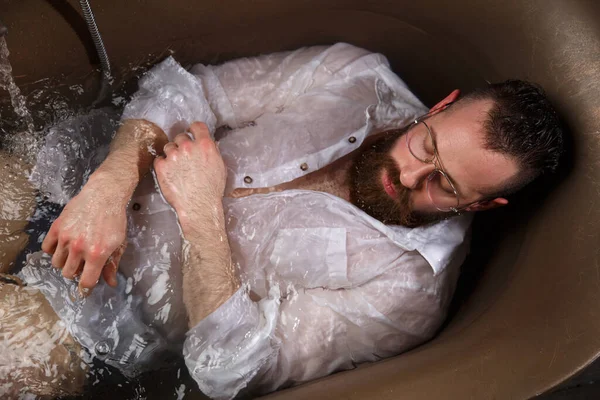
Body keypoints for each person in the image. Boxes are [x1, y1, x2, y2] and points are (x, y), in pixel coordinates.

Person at [1, 43, 563, 399]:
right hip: (77, 171)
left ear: (483, 206)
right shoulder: (355, 74)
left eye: (446, 185)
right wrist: (110, 183)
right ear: (441, 106)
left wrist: (202, 217)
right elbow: (191, 88)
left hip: (94, 312)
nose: (411, 174)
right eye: (427, 145)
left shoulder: (408, 294)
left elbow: (231, 370)